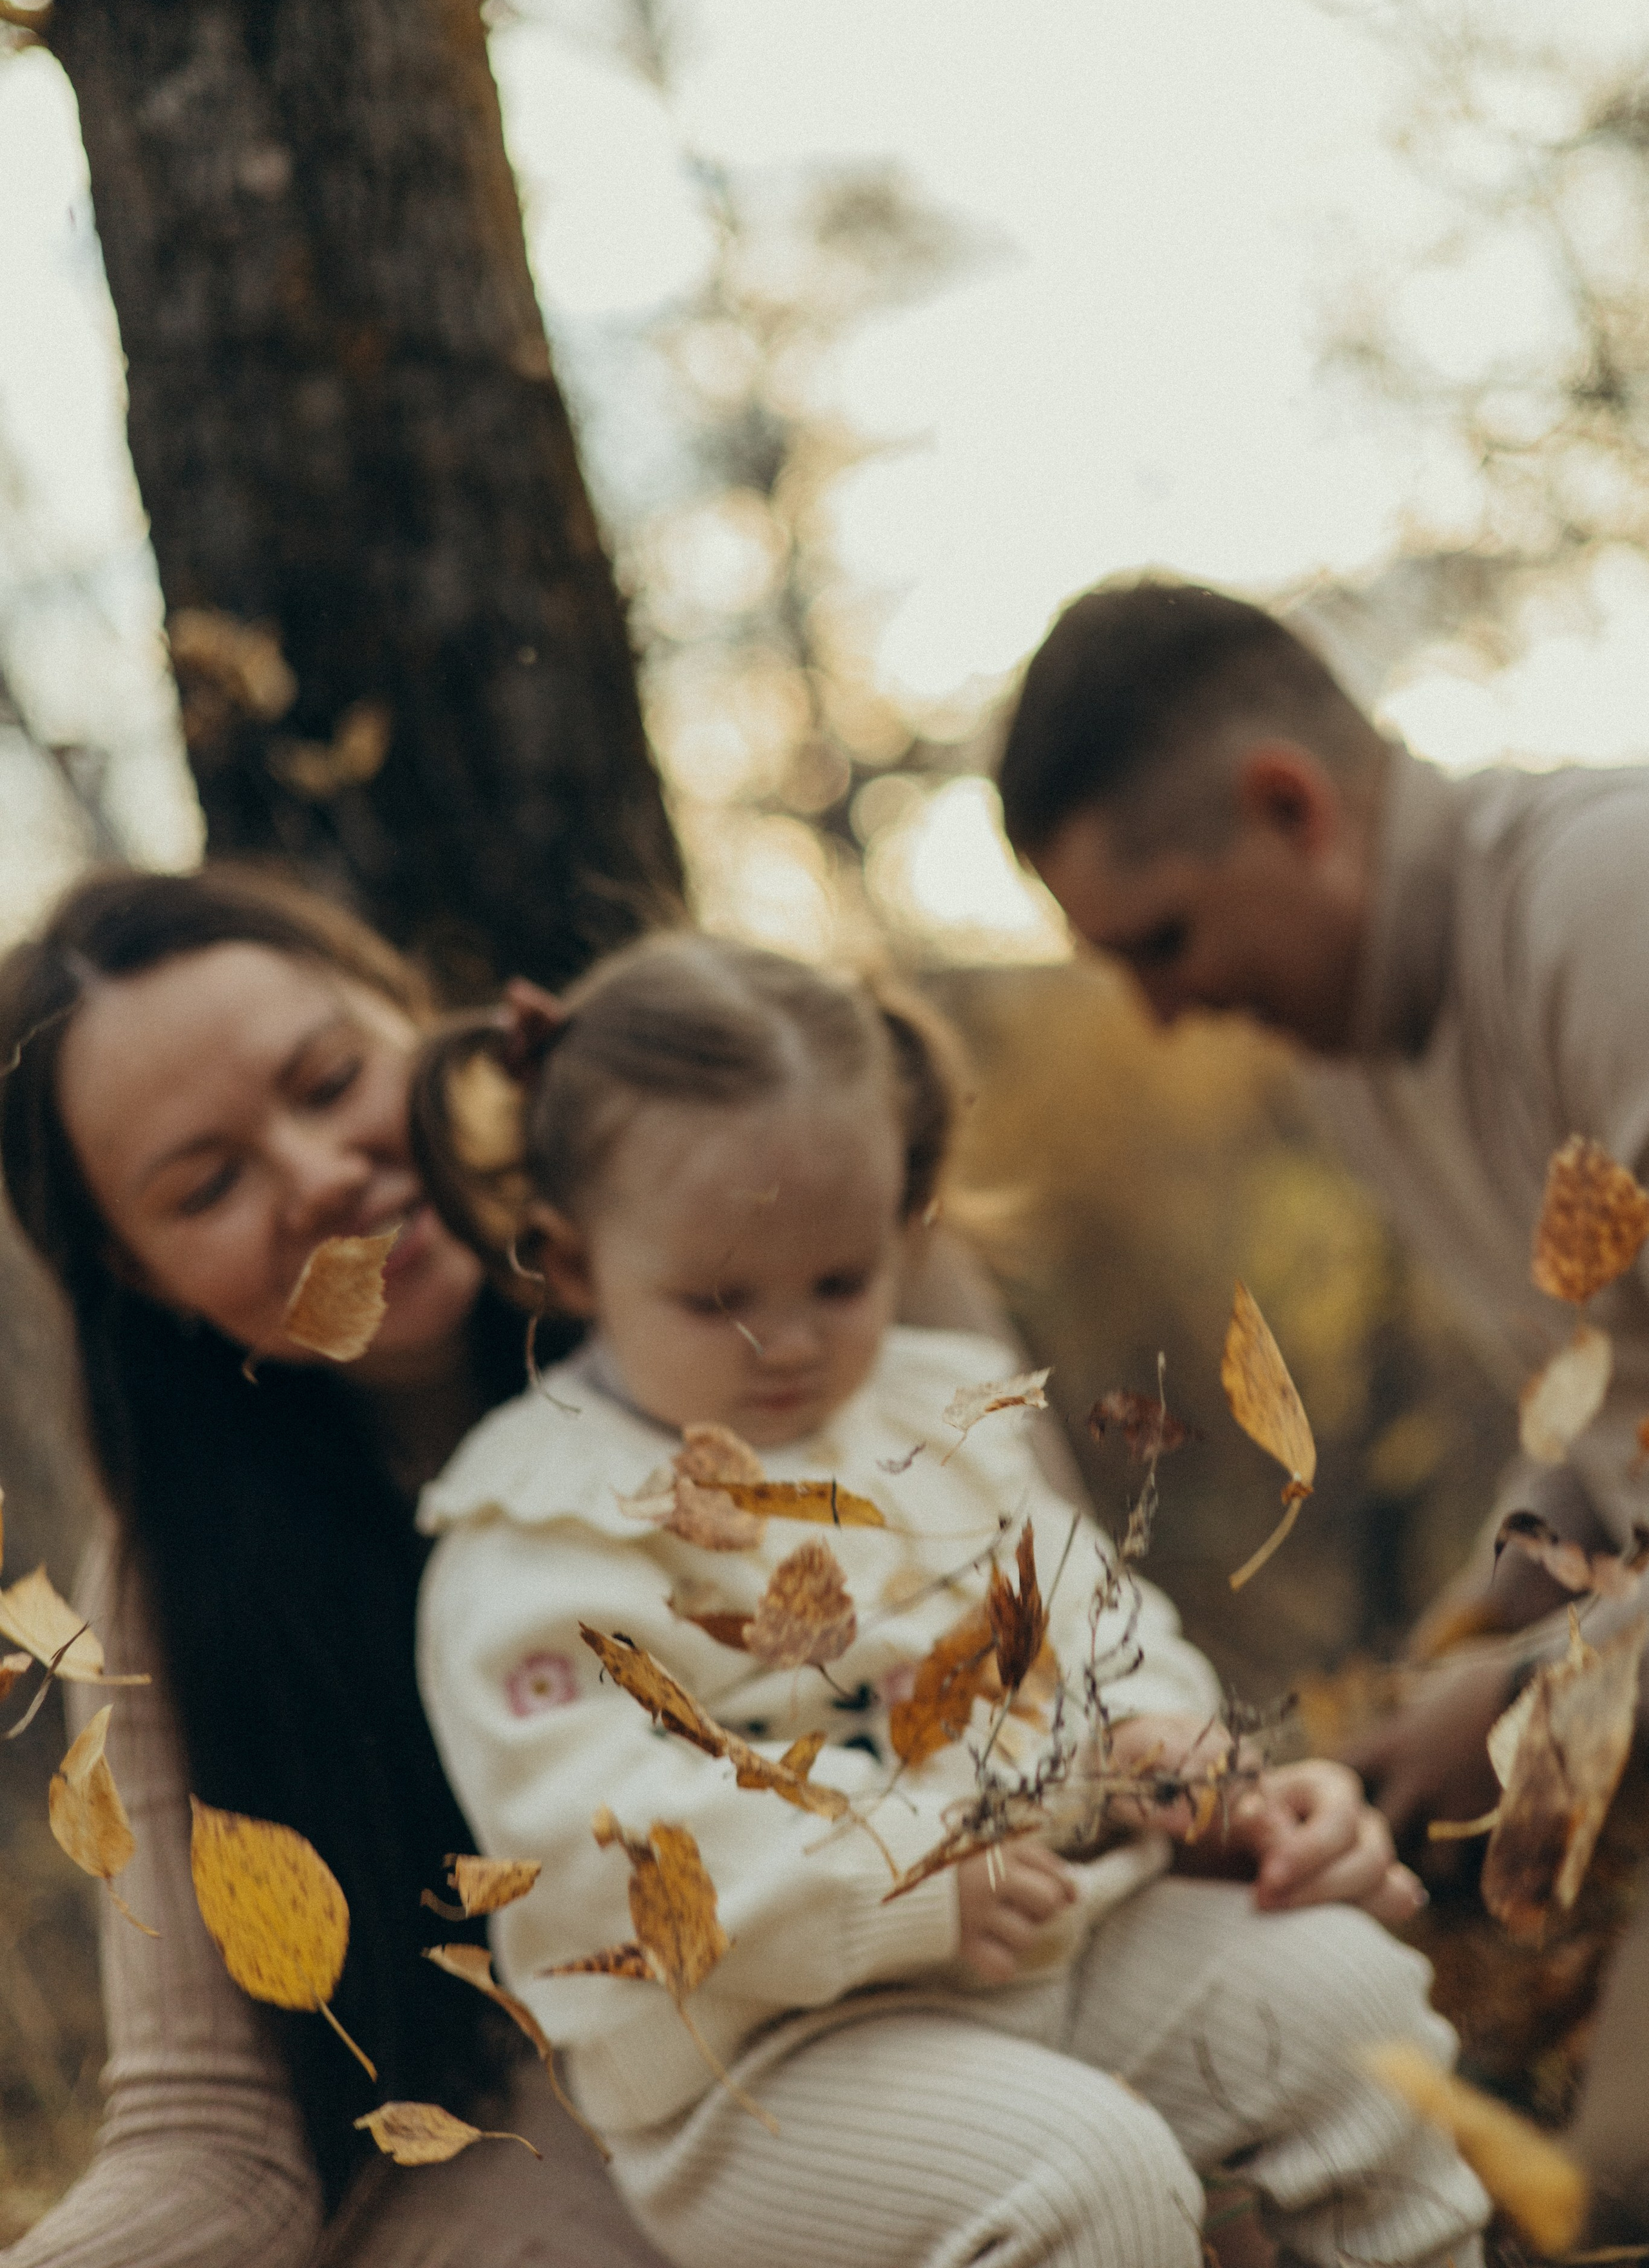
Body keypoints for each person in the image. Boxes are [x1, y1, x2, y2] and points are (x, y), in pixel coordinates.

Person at [412, 929, 1487, 2268]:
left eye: (839, 1282)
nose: (791, 1341)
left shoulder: (930, 1416)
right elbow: (595, 1843)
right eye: (717, 1298)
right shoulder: (540, 1523)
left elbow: (1094, 1616)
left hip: (1058, 1955)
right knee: (1082, 2183)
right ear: (571, 1267)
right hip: (764, 2074)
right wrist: (900, 1879)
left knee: (1349, 2003)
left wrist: (1150, 1735)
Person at [995, 571, 1649, 2228]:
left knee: (1589, 2186)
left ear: (1287, 810)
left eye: (1159, 943)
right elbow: (1598, 1424)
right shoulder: (1359, 1047)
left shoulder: (1604, 909)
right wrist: (1445, 1661)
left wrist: (1525, 1697)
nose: (1157, 1012)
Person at [0, 865, 673, 2268]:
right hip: (516, 2141)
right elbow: (212, 2140)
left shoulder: (764, 1284)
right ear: (138, 1276)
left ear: (417, 1023)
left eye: (329, 1080)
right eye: (208, 1185)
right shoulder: (168, 1589)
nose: (318, 1180)